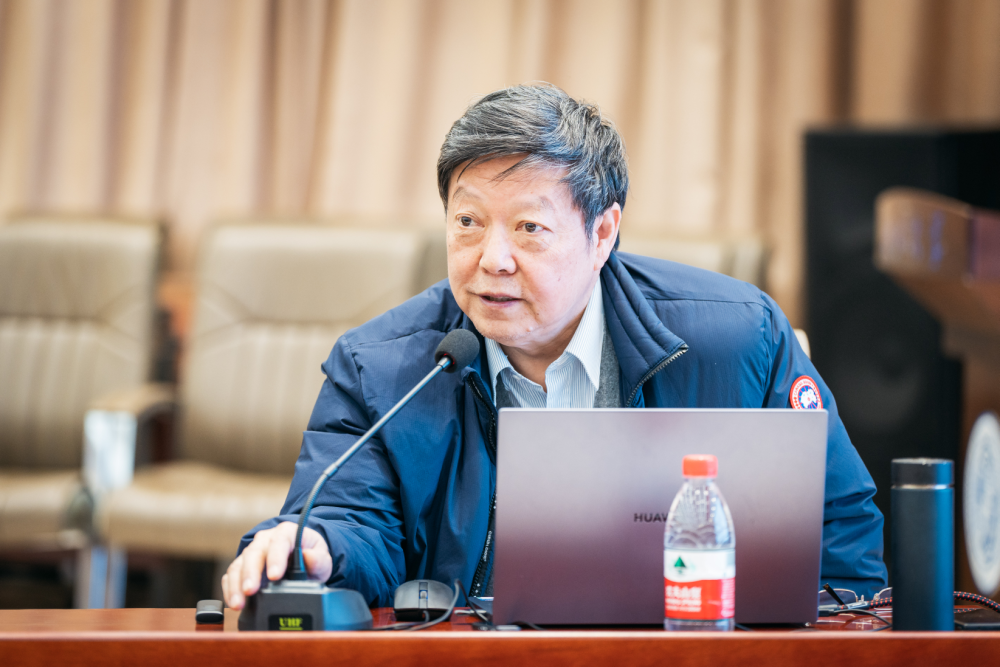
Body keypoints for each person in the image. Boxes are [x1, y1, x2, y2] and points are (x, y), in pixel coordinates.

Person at [222, 84, 887, 610]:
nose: (492, 259)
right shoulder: (380, 367)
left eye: (529, 228)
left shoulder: (738, 338)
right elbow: (351, 519)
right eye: (468, 221)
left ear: (602, 233)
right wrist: (318, 545)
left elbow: (839, 538)